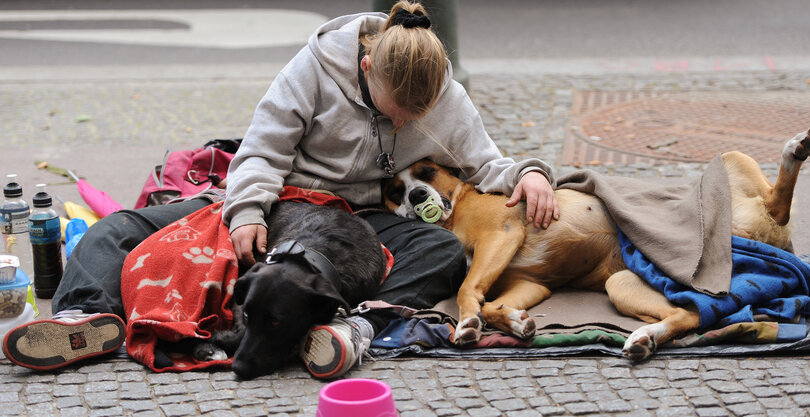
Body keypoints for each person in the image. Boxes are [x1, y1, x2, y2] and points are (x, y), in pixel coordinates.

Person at [2, 1, 559, 379]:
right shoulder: (313, 69)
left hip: (359, 220)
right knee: (116, 228)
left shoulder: (440, 93)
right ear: (366, 67)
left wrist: (529, 174)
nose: (410, 121)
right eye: (398, 112)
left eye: (421, 113)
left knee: (439, 250)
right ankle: (85, 321)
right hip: (278, 201)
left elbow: (485, 162)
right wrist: (247, 211)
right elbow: (261, 152)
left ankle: (354, 326)